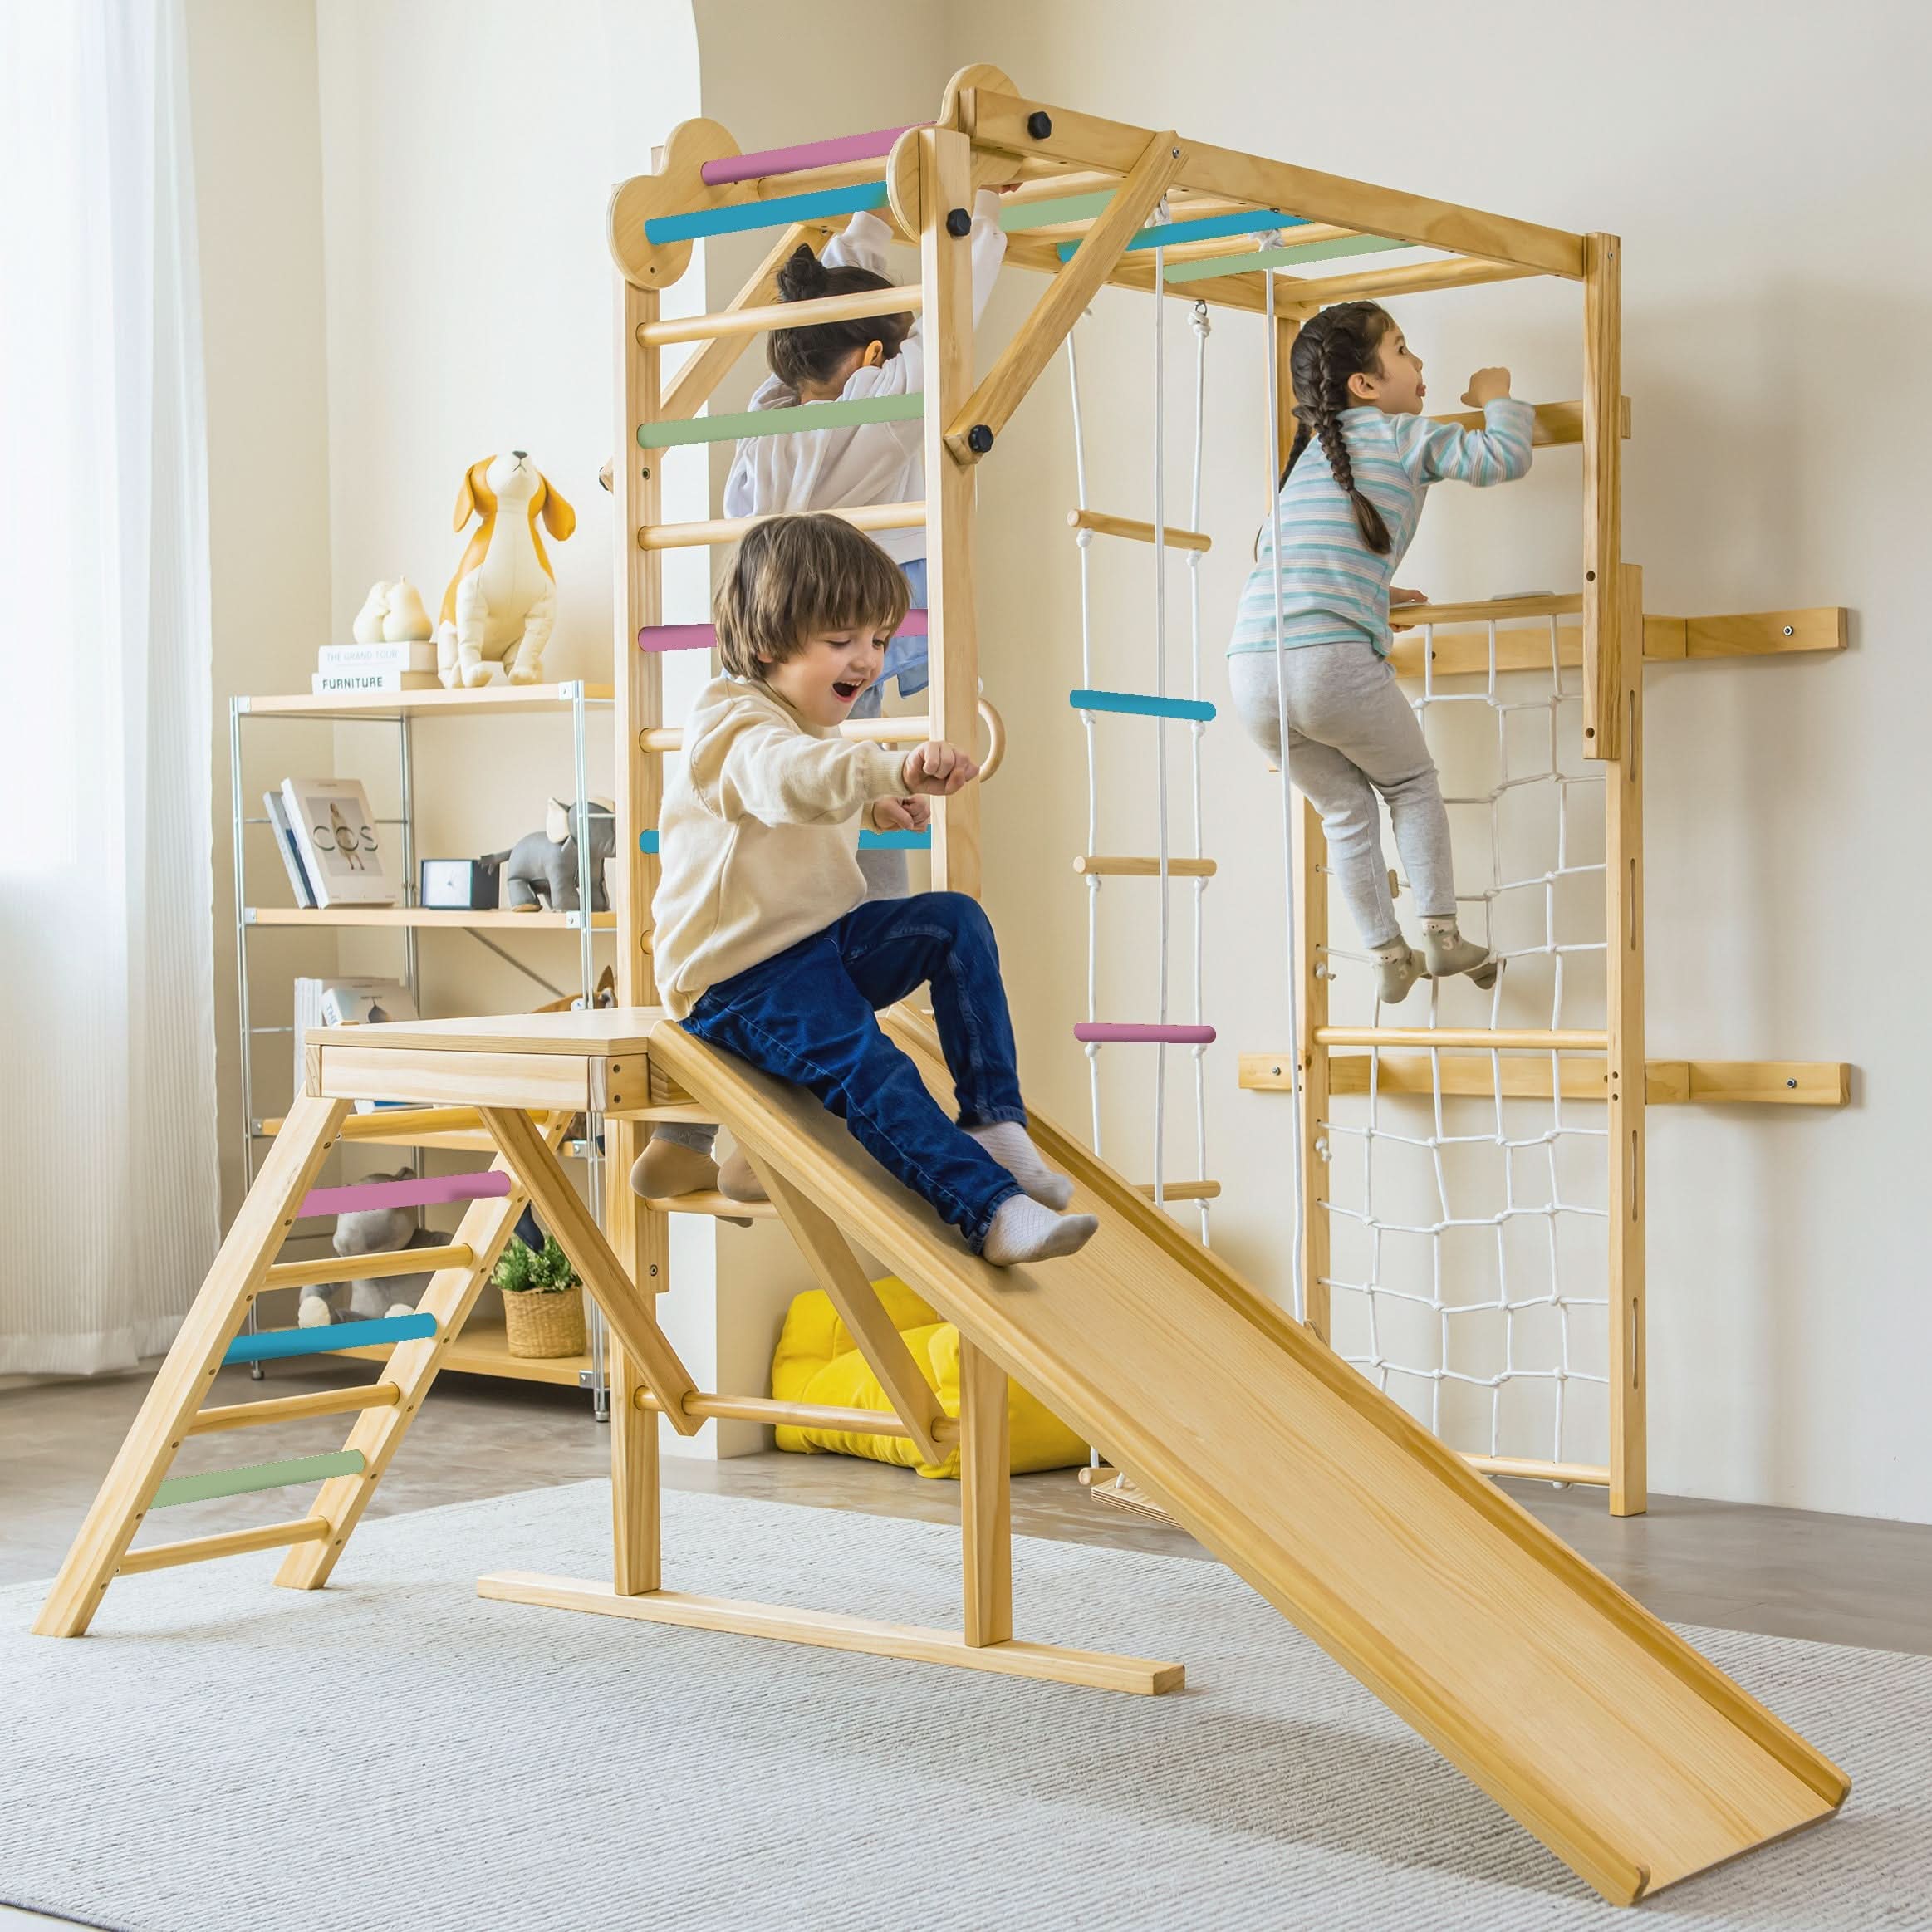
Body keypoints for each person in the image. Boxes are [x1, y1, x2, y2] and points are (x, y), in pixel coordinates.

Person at [635, 189, 1007, 1204]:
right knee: (851, 901)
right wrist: (973, 224)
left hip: (772, 644)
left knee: (768, 885)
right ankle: (771, 1136)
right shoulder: (876, 413)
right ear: (876, 358)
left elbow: (828, 321)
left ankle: (696, 1133)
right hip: (844, 636)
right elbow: (948, 337)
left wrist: (870, 231)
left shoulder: (767, 419)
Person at [637, 512, 1097, 1268]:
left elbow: (807, 798)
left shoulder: (802, 723)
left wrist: (877, 805)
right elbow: (785, 780)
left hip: (814, 947)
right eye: (842, 640)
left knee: (953, 924)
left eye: (879, 640)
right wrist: (888, 769)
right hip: (734, 980)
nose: (869, 660)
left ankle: (994, 1123)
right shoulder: (731, 724)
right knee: (871, 1063)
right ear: (769, 644)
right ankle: (989, 1211)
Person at [1227, 300, 1534, 1003]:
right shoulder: (1401, 434)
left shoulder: (1308, 460)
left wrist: (1371, 592)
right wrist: (1497, 398)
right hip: (1327, 661)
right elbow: (1503, 457)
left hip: (1251, 670)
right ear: (1364, 384)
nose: (1418, 363)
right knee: (1411, 783)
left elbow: (1289, 556)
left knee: (1344, 810)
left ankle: (1387, 953)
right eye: (1401, 349)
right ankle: (1441, 936)